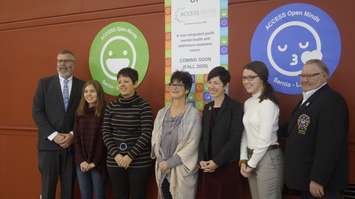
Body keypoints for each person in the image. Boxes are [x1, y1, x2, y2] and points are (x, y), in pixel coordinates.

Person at [285, 59, 349, 199]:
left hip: (321, 186)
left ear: (325, 76)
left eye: (311, 75)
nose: (305, 80)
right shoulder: (310, 99)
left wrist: (318, 178)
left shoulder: (331, 101)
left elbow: (330, 145)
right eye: (302, 76)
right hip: (305, 181)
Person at [32, 49, 85, 199]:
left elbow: (86, 116)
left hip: (72, 148)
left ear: (73, 64)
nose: (62, 64)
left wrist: (72, 135)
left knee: (68, 192)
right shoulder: (44, 84)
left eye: (67, 60)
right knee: (47, 191)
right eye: (59, 61)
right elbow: (37, 112)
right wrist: (54, 135)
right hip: (48, 148)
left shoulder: (83, 87)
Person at [102, 67, 153, 199]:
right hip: (115, 161)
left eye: (126, 81)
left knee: (138, 195)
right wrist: (117, 155)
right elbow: (106, 132)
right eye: (119, 82)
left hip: (139, 161)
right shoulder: (111, 107)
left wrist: (130, 156)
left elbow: (146, 133)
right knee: (119, 195)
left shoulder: (144, 106)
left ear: (135, 83)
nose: (122, 85)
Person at [151, 71, 201, 199]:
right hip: (162, 169)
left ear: (187, 90)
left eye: (179, 85)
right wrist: (162, 161)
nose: (174, 87)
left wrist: (170, 163)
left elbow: (192, 144)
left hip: (181, 171)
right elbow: (155, 140)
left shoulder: (193, 114)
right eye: (172, 84)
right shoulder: (162, 113)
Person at [198, 66, 244, 199]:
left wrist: (217, 162)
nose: (212, 86)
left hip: (226, 167)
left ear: (225, 85)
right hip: (207, 168)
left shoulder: (235, 107)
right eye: (210, 82)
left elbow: (235, 138)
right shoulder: (207, 108)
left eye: (216, 83)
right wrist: (201, 159)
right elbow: (203, 137)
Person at [239, 61, 283, 199]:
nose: (246, 81)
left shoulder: (268, 104)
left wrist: (251, 164)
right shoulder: (248, 103)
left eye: (251, 77)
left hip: (268, 158)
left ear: (262, 78)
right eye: (244, 78)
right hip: (252, 157)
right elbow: (246, 133)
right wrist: (243, 159)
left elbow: (264, 139)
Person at [74, 80, 107, 199]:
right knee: (85, 195)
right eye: (86, 91)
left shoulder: (105, 112)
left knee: (99, 196)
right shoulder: (79, 113)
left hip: (98, 164)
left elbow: (103, 140)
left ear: (98, 93)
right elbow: (76, 139)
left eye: (92, 91)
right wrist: (81, 160)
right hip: (81, 163)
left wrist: (93, 162)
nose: (89, 94)